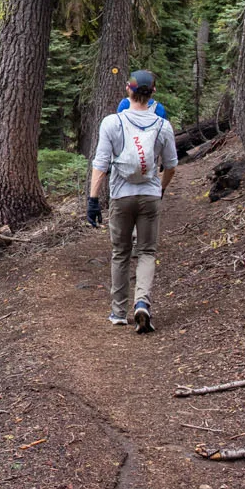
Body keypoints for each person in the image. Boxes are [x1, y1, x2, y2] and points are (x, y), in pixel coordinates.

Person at [87, 69, 177, 333]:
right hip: (149, 195)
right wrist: (160, 189)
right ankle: (142, 303)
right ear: (153, 93)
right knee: (147, 252)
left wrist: (93, 200)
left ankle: (117, 312)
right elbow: (171, 165)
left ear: (129, 90)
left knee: (120, 252)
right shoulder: (163, 125)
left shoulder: (112, 123)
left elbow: (101, 164)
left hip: (120, 197)